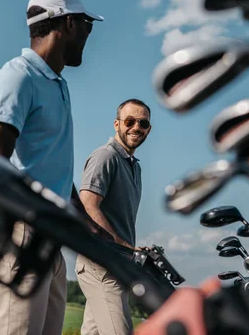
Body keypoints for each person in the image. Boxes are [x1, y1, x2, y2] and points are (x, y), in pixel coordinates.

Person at [0, 0, 104, 335]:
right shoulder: (19, 76)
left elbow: (54, 172)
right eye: (87, 25)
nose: (88, 35)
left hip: (50, 242)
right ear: (68, 25)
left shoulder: (57, 84)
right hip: (19, 238)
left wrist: (91, 229)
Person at [76, 99, 153, 335]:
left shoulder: (134, 165)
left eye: (143, 123)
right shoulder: (105, 157)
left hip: (115, 261)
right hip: (101, 264)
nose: (136, 127)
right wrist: (123, 246)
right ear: (117, 124)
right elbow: (88, 205)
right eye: (130, 121)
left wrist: (132, 251)